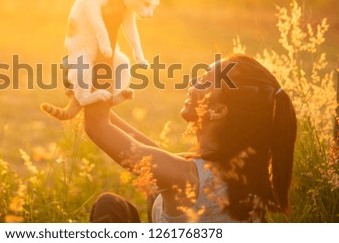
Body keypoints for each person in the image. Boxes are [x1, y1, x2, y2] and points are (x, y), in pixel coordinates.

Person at [84, 54, 297, 222]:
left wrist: (101, 58)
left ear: (218, 111)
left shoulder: (186, 178)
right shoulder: (235, 171)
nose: (193, 81)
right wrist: (87, 97)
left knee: (108, 207)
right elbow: (152, 152)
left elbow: (97, 127)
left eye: (204, 81)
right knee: (126, 207)